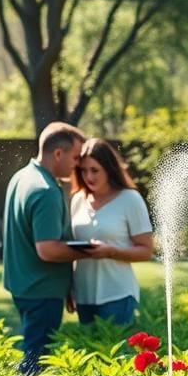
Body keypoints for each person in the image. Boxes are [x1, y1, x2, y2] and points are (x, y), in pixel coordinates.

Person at [3, 122, 90, 374]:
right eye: (75, 157)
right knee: (37, 362)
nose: (78, 165)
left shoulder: (22, 176)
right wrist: (91, 250)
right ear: (58, 154)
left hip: (22, 284)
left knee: (33, 351)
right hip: (41, 289)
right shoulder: (46, 191)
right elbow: (48, 250)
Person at [70, 138, 153, 326]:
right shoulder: (77, 200)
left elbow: (146, 251)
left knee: (114, 354)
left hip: (117, 296)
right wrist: (70, 287)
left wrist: (110, 252)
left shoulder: (130, 199)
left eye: (95, 170)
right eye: (83, 170)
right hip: (83, 297)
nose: (88, 177)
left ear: (109, 169)